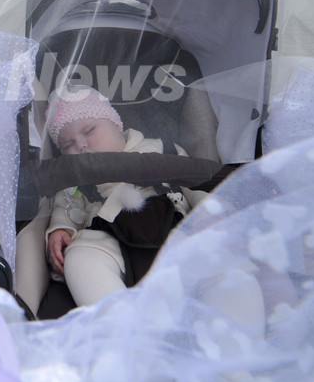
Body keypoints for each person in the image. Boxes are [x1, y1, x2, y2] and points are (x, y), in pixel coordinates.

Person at [43, 86, 200, 307]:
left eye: (89, 131)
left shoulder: (162, 150)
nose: (81, 145)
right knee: (80, 258)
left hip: (172, 229)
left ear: (116, 124)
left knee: (215, 251)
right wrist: (60, 228)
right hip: (106, 239)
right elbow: (67, 206)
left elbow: (195, 184)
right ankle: (121, 325)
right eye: (68, 145)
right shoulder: (76, 179)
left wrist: (213, 211)